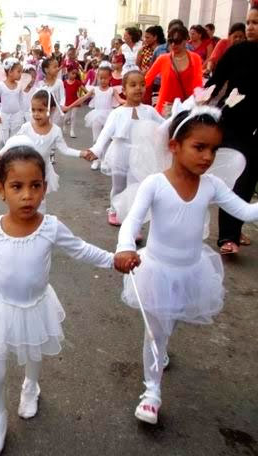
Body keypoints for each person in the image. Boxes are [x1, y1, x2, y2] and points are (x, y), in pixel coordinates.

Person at [0, 142, 114, 455]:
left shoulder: (51, 227)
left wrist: (114, 260)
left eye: (35, 186)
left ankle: (31, 386)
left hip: (36, 303)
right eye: (17, 186)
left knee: (33, 351)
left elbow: (82, 249)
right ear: (1, 189)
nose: (27, 195)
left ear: (45, 188)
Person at [114, 108, 258, 425]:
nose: (207, 156)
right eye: (199, 147)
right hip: (156, 269)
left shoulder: (212, 186)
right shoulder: (155, 184)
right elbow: (132, 222)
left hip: (192, 270)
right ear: (175, 145)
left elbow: (246, 213)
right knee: (154, 332)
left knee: (172, 318)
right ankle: (151, 393)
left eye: (213, 149)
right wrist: (125, 246)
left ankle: (162, 348)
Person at [0, 90, 92, 212]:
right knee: (23, 197)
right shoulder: (27, 127)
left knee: (40, 200)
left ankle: (39, 222)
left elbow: (65, 150)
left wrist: (82, 153)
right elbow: (13, 142)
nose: (36, 114)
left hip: (43, 172)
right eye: (33, 110)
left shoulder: (55, 131)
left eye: (40, 110)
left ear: (51, 110)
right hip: (26, 169)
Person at [209, 5, 258, 254]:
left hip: (256, 131)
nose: (250, 27)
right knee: (236, 178)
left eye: (256, 23)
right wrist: (200, 103)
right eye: (248, 22)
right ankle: (228, 237)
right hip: (233, 125)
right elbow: (215, 81)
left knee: (248, 182)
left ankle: (235, 228)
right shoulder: (236, 51)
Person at [86, 71, 164, 226]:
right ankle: (114, 209)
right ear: (124, 89)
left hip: (141, 154)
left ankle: (133, 219)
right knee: (119, 186)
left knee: (138, 187)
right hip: (120, 153)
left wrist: (178, 116)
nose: (138, 88)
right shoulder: (117, 113)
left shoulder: (149, 110)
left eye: (142, 85)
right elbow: (106, 133)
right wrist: (96, 150)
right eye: (133, 85)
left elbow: (164, 125)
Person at [144, 25, 203, 115]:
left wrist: (200, 100)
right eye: (170, 41)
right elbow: (147, 80)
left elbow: (198, 84)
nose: (173, 45)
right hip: (165, 108)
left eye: (177, 41)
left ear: (186, 40)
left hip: (186, 107)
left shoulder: (195, 58)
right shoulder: (163, 59)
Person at [76, 66, 122, 169]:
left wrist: (131, 103)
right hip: (96, 116)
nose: (103, 80)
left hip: (109, 116)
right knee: (96, 139)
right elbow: (82, 98)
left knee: (107, 139)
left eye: (105, 78)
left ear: (110, 77)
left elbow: (120, 100)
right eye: (100, 78)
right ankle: (96, 160)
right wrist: (69, 106)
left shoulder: (112, 90)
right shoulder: (94, 90)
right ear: (97, 77)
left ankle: (105, 160)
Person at [0, 58, 26, 145]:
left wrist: (23, 114)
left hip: (17, 116)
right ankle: (4, 157)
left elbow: (22, 101)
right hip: (4, 117)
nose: (20, 74)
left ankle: (13, 157)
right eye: (18, 72)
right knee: (4, 141)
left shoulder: (19, 86)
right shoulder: (1, 86)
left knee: (15, 140)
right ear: (10, 72)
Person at [62, 64, 87, 138]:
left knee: (73, 116)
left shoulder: (77, 82)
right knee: (66, 117)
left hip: (75, 101)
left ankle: (72, 131)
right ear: (68, 73)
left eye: (75, 74)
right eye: (72, 73)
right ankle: (64, 124)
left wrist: (90, 93)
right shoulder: (64, 83)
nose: (74, 75)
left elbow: (84, 89)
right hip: (67, 102)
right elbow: (61, 92)